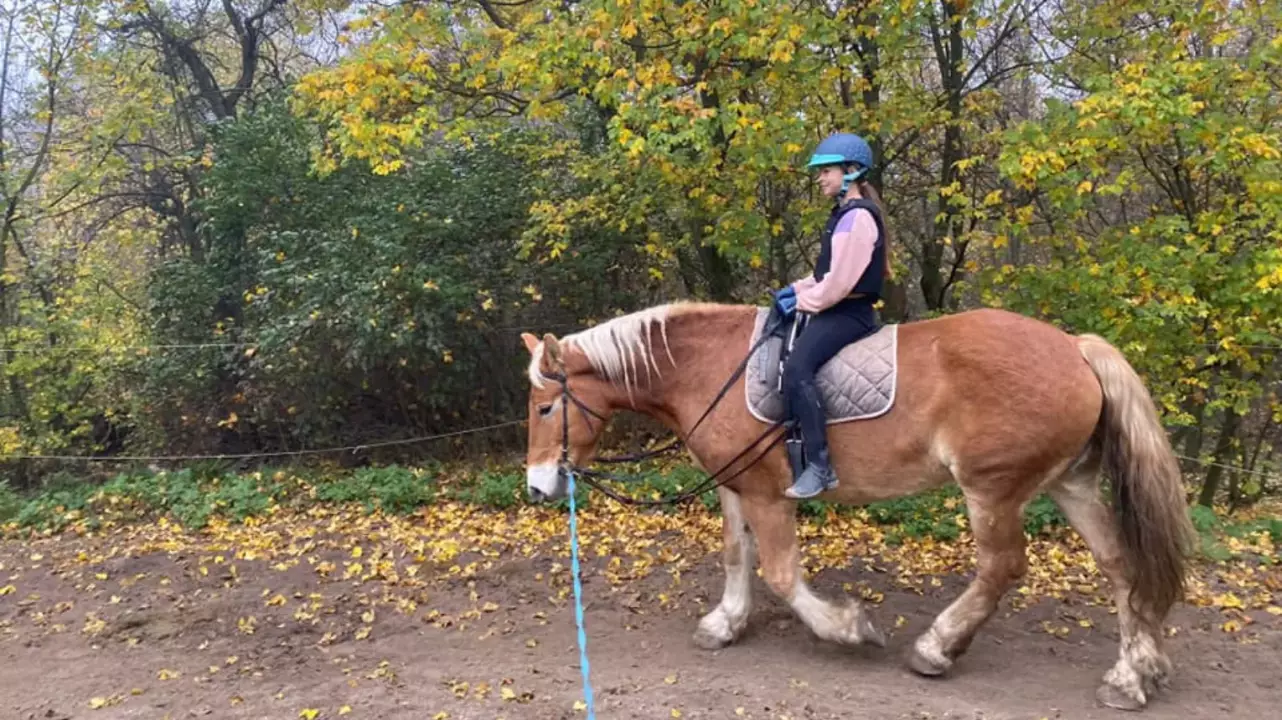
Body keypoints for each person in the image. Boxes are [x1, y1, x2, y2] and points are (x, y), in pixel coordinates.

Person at [771, 132, 890, 499]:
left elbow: (838, 286)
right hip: (835, 306)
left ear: (851, 172)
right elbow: (825, 275)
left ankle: (820, 467)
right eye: (819, 172)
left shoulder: (857, 219)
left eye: (826, 171)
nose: (820, 178)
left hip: (848, 314)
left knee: (796, 370)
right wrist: (797, 288)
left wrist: (804, 302)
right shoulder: (842, 216)